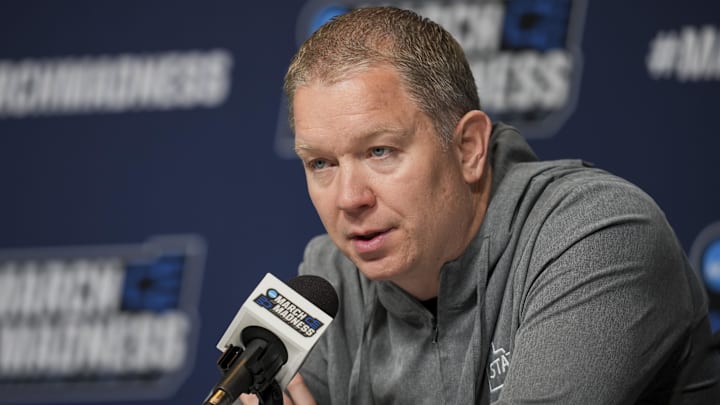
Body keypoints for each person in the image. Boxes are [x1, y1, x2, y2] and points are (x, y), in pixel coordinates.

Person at [252, 6, 720, 404]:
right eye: (321, 163)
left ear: (469, 147)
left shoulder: (600, 234)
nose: (350, 199)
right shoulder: (329, 277)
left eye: (380, 151)